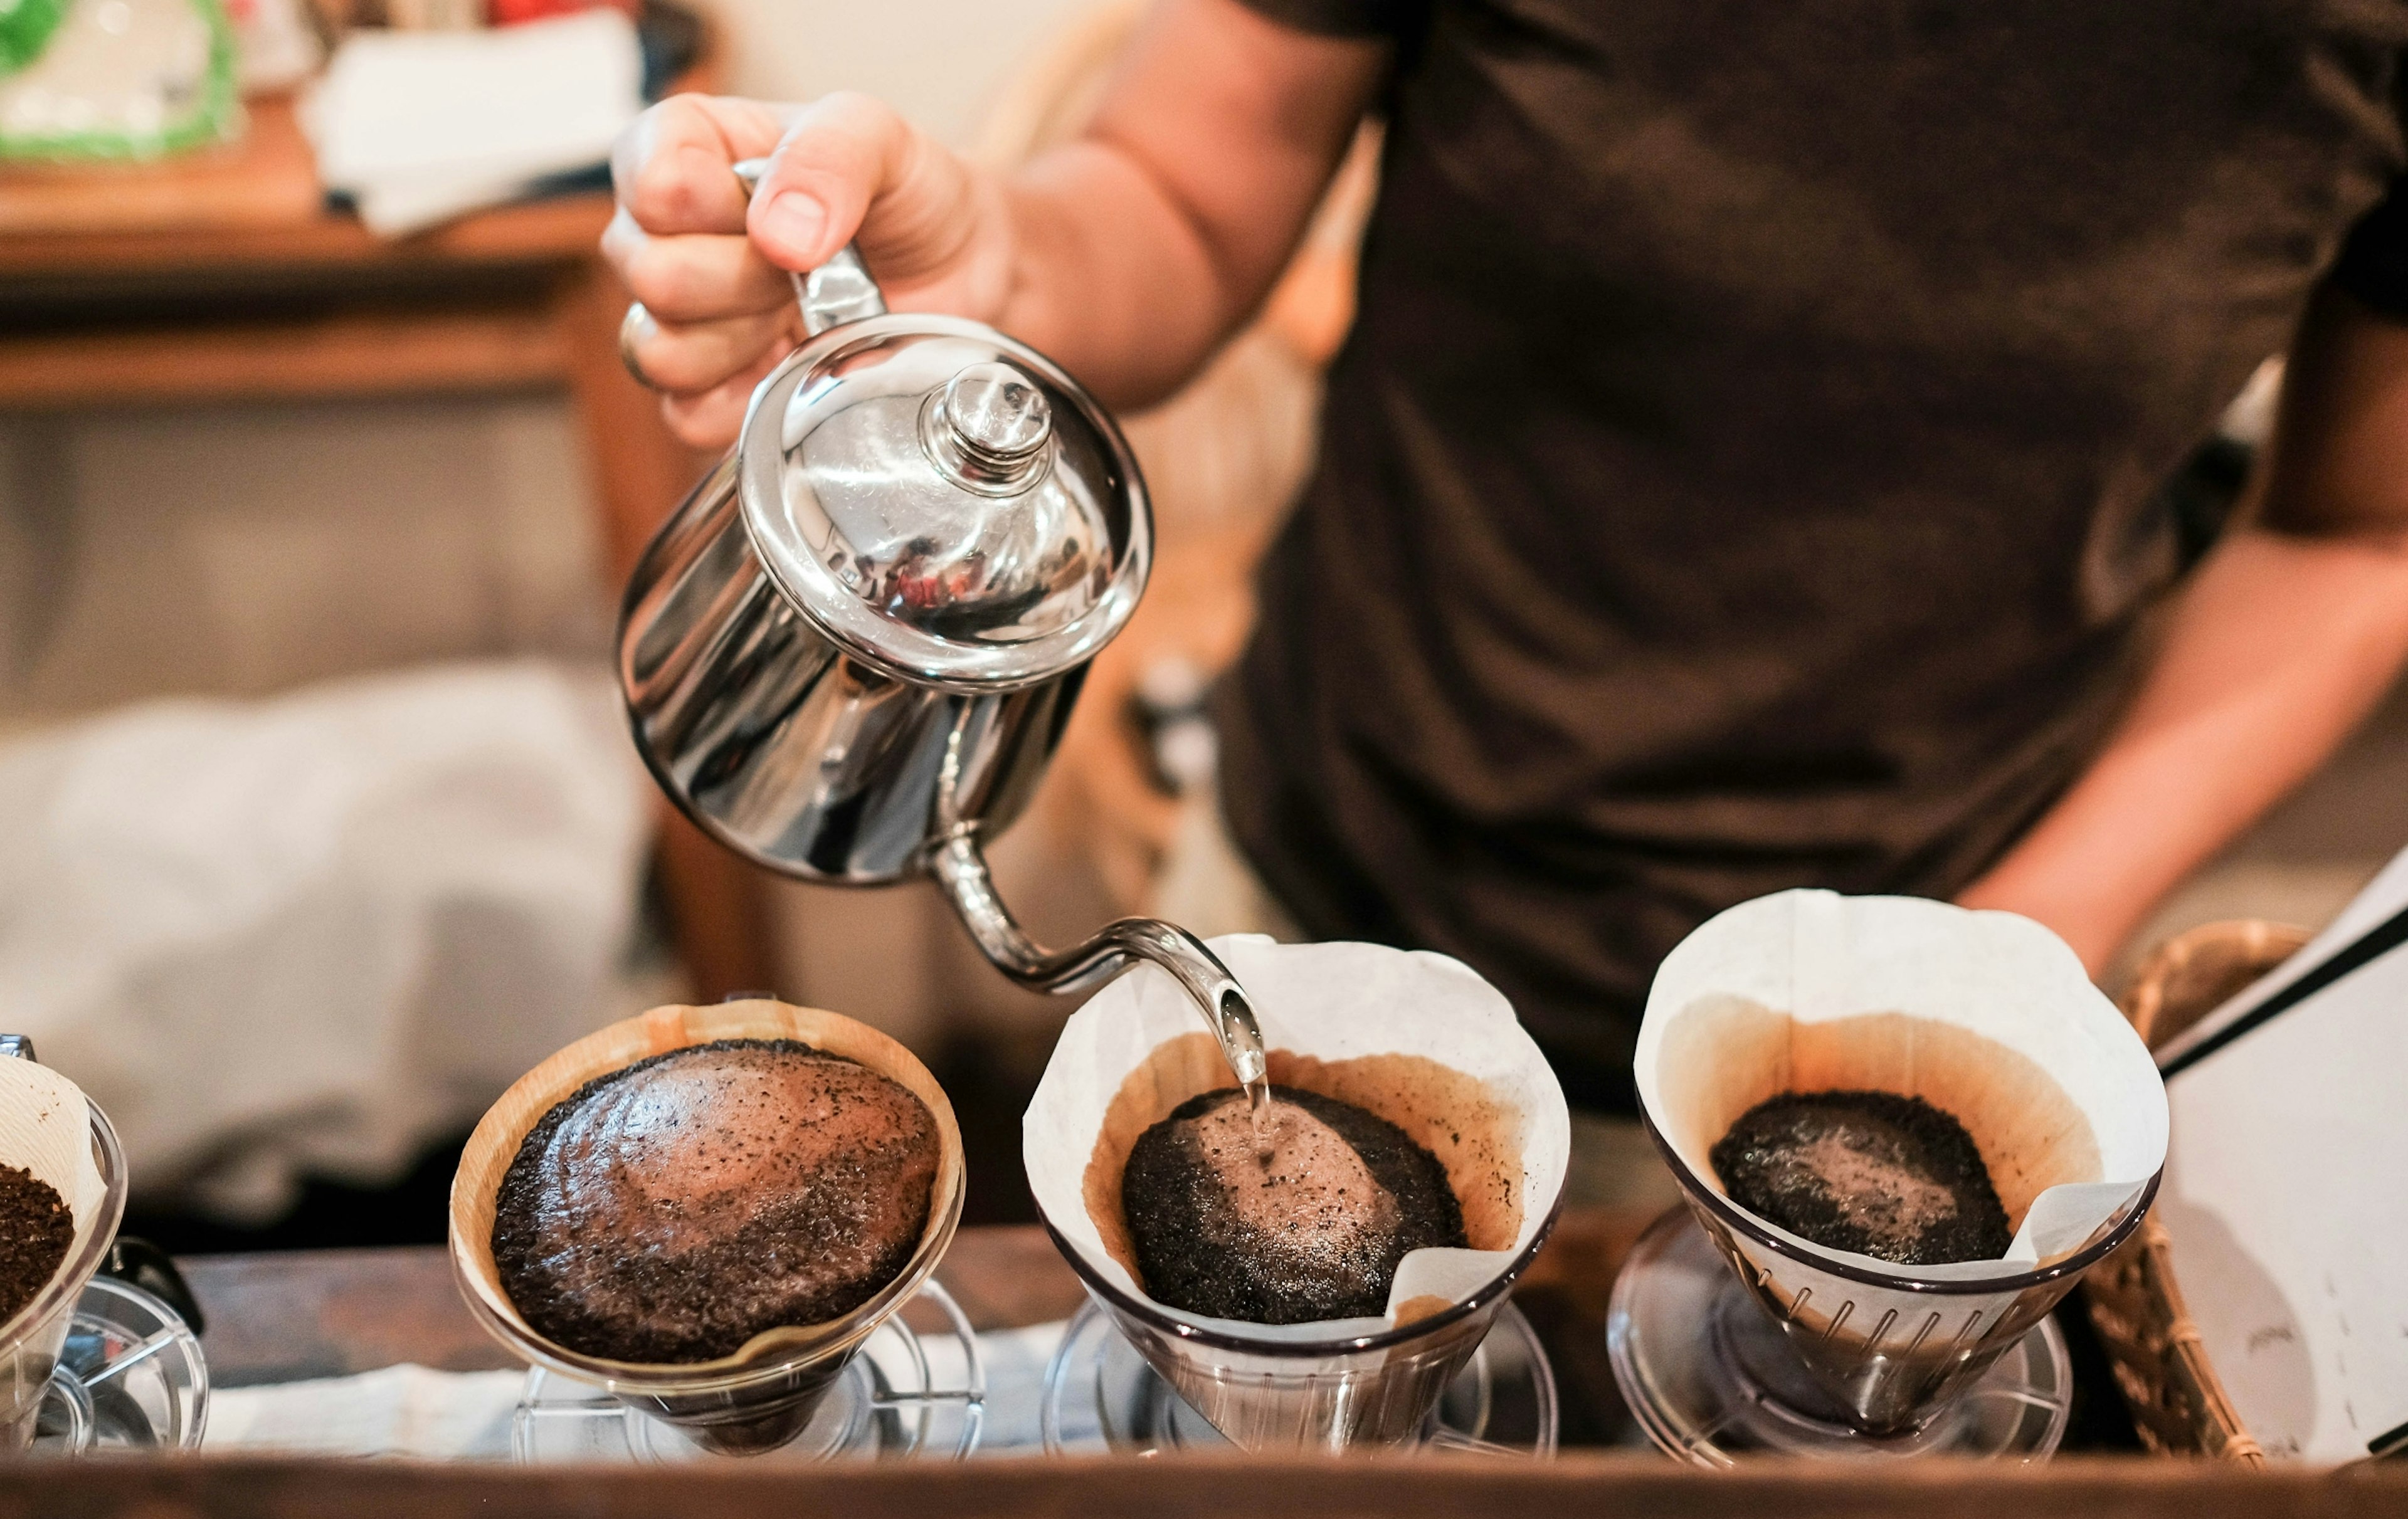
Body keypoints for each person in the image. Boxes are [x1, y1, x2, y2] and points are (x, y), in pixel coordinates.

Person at [604, 0, 2408, 1132]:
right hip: (1335, 865)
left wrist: (2026, 935)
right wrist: (994, 263)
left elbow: (2357, 533)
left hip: (1897, 993)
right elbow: (1182, 188)